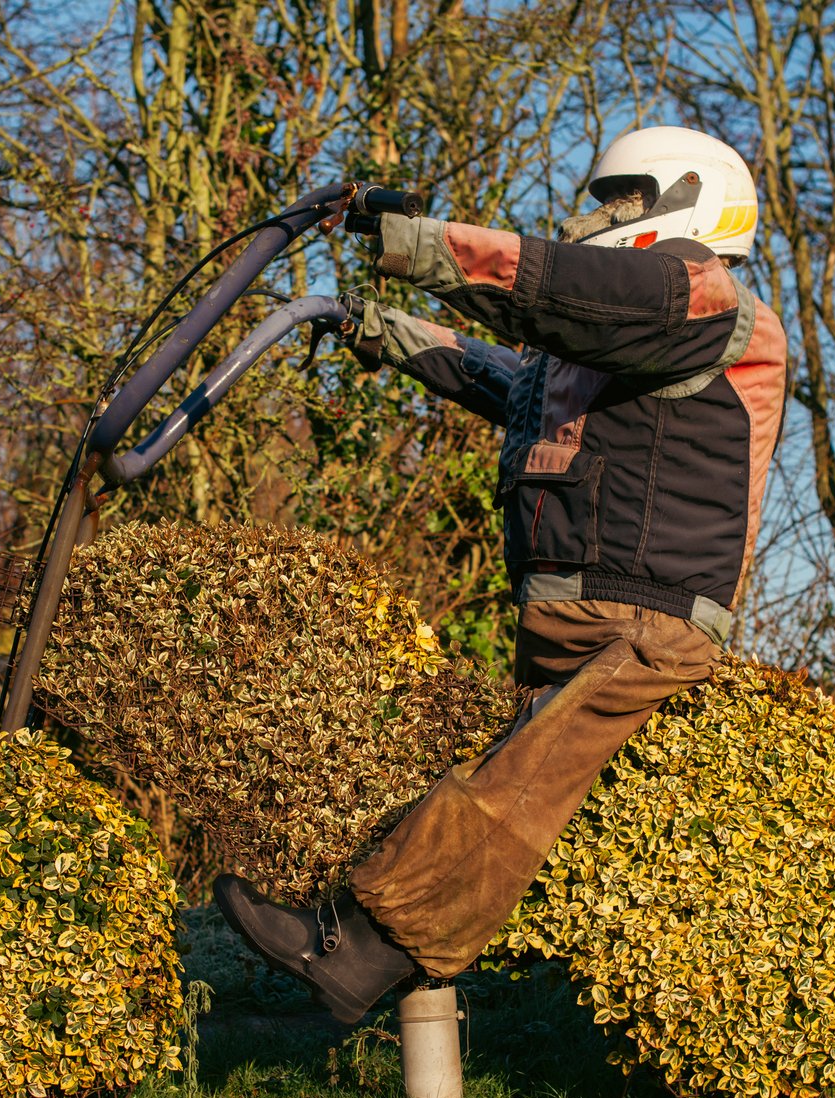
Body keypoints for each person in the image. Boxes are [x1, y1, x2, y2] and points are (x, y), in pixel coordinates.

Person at [214, 126, 788, 1024]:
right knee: (487, 785)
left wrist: (420, 244)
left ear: (685, 197)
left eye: (622, 201)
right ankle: (430, 981)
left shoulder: (700, 299)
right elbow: (508, 376)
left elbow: (561, 290)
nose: (601, 218)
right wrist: (375, 328)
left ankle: (355, 952)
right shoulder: (612, 346)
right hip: (579, 619)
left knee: (508, 797)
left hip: (651, 627)